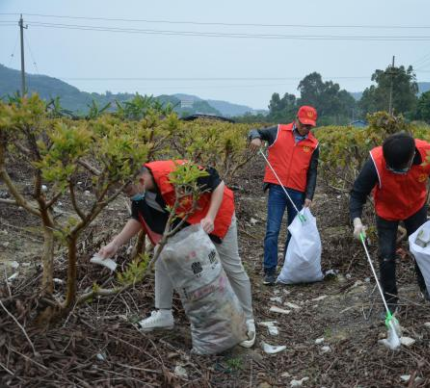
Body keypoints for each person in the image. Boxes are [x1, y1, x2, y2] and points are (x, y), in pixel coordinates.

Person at [97, 160, 256, 348]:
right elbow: (138, 218)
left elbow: (217, 183)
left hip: (216, 215)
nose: (129, 196)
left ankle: (248, 320)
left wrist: (210, 217)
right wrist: (115, 244)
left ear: (140, 180)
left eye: (129, 191)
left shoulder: (175, 174)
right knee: (162, 253)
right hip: (185, 223)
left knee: (231, 266)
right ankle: (163, 314)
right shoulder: (140, 192)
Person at [349, 132, 430, 313]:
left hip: (416, 207)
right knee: (386, 255)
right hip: (387, 211)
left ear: (412, 157)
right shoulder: (375, 162)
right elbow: (357, 193)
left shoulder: (428, 154)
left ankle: (427, 291)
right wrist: (356, 221)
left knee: (423, 249)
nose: (396, 173)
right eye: (392, 169)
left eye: (400, 169)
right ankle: (391, 303)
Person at [248, 106, 320, 285]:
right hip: (277, 190)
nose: (306, 129)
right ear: (296, 119)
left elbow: (312, 173)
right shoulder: (278, 131)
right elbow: (255, 131)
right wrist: (255, 138)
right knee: (272, 231)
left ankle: (289, 268)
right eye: (304, 125)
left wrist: (309, 195)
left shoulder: (313, 144)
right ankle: (269, 271)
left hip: (298, 192)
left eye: (309, 126)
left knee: (293, 232)